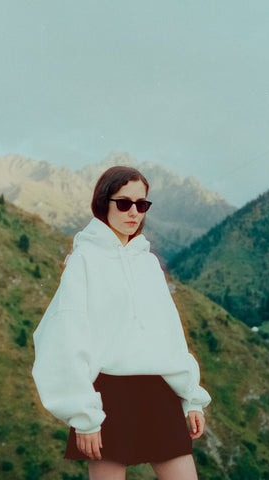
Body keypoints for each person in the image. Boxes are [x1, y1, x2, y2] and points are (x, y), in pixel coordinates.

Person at [32, 166, 211, 480]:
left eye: (142, 204)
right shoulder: (83, 261)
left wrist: (191, 397)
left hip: (159, 390)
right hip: (108, 395)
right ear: (104, 202)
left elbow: (169, 335)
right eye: (124, 203)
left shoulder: (148, 263)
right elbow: (67, 337)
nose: (134, 212)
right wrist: (83, 416)